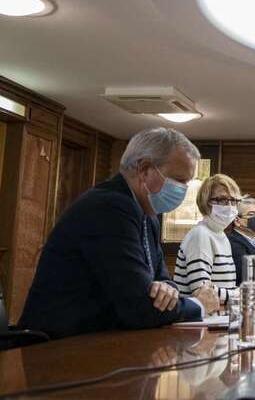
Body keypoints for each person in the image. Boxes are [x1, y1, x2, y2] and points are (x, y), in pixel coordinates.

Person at [19, 128, 219, 339]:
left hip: (98, 343)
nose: (184, 190)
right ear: (144, 169)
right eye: (179, 180)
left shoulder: (147, 214)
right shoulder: (109, 207)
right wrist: (198, 305)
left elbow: (161, 278)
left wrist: (167, 289)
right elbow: (139, 309)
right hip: (55, 348)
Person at [174, 174, 243, 305]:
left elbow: (226, 288)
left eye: (233, 201)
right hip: (196, 320)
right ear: (206, 202)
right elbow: (201, 291)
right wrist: (244, 295)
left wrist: (254, 293)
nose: (229, 206)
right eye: (222, 200)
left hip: (215, 316)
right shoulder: (200, 234)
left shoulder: (220, 235)